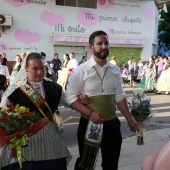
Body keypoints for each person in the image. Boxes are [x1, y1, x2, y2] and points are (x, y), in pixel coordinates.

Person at [65, 30, 136, 170]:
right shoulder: (81, 70)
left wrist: (130, 120)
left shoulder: (115, 70)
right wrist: (90, 113)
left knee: (111, 163)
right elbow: (69, 96)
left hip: (112, 126)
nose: (104, 46)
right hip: (88, 125)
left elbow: (119, 97)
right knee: (86, 163)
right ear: (91, 47)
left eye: (106, 43)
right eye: (100, 43)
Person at [0, 52, 71, 170]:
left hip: (51, 143)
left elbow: (70, 102)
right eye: (35, 68)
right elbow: (2, 113)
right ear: (26, 68)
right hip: (25, 144)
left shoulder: (54, 88)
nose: (39, 72)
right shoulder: (15, 89)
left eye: (42, 68)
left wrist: (82, 99)